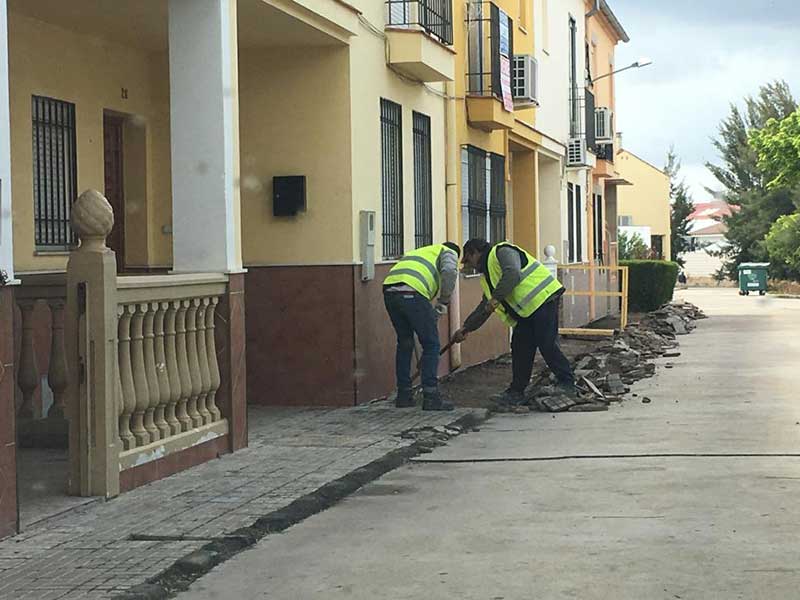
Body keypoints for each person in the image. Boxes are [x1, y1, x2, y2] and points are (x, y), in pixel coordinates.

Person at [452, 239, 576, 406]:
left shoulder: (502, 252)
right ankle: (516, 391)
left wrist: (496, 299)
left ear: (475, 252)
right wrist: (467, 328)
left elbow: (513, 273)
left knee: (546, 343)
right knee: (520, 348)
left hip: (543, 300)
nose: (470, 266)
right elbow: (485, 307)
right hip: (526, 313)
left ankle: (567, 383)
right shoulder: (488, 276)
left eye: (468, 259)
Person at [383, 242, 460, 410]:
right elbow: (449, 271)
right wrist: (444, 300)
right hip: (412, 291)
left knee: (405, 343)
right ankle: (431, 397)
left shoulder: (422, 252)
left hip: (390, 291)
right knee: (431, 345)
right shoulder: (447, 251)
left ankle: (404, 396)